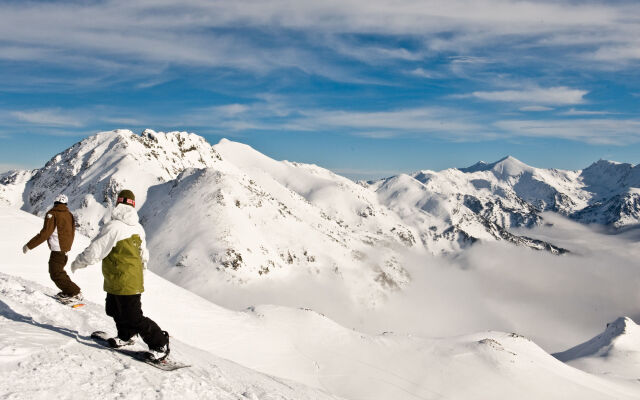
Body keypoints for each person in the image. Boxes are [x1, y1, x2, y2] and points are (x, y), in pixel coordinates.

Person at [70, 189, 170, 361]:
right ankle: (126, 336)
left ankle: (159, 343)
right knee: (114, 309)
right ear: (132, 205)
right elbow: (143, 254)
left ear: (118, 204)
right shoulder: (138, 228)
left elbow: (95, 250)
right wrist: (140, 274)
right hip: (119, 279)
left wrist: (78, 263)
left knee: (134, 317)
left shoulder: (113, 227)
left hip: (126, 281)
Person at [23, 194, 82, 302]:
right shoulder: (69, 214)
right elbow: (72, 232)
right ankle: (68, 291)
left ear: (55, 202)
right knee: (59, 272)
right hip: (65, 250)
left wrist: (29, 245)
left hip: (57, 249)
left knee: (55, 273)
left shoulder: (52, 214)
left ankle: (74, 292)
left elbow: (45, 233)